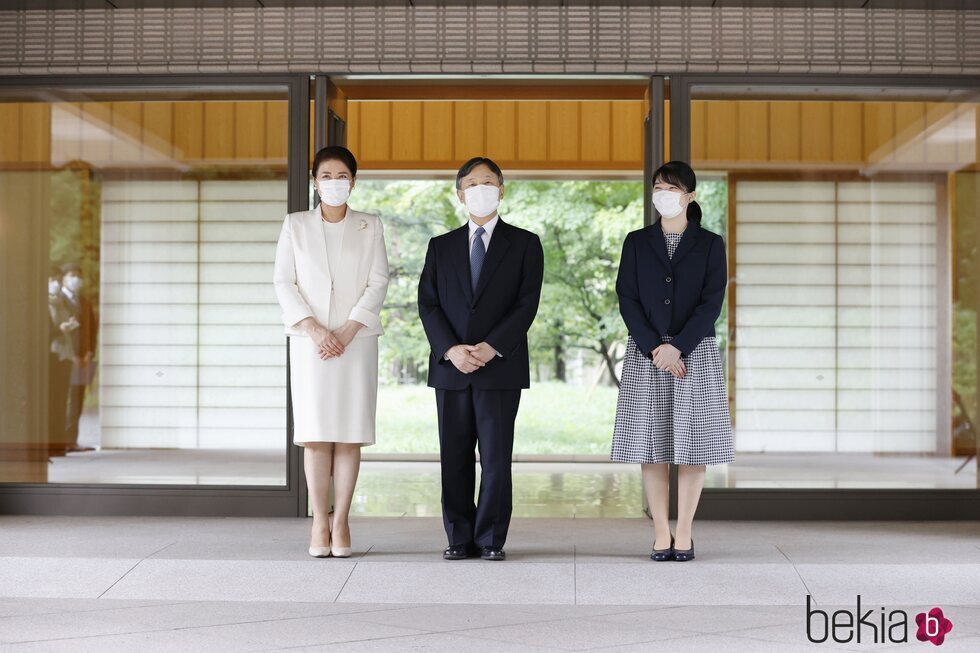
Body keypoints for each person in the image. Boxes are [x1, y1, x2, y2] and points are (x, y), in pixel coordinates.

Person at [417, 156, 544, 562]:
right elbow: (428, 304)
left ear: (501, 190)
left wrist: (492, 346)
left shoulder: (525, 243)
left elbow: (527, 304)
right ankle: (458, 536)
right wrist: (451, 350)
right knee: (453, 457)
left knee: (495, 458)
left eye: (488, 182)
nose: (480, 189)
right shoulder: (441, 246)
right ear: (459, 194)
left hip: (499, 367)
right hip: (451, 369)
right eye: (471, 184)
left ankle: (490, 538)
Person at [611, 160, 734, 563]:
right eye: (659, 187)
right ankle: (660, 532)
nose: (664, 194)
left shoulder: (711, 243)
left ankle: (685, 532)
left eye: (673, 188)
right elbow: (626, 298)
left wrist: (678, 346)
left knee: (693, 445)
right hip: (647, 354)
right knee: (653, 444)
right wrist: (654, 348)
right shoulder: (636, 241)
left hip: (693, 352)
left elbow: (711, 302)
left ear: (691, 196)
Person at [273, 145, 390, 559]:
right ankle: (318, 521)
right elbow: (284, 282)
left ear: (352, 182)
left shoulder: (369, 225)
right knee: (316, 434)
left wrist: (347, 328)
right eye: (326, 175)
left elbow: (379, 281)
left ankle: (341, 519)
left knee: (349, 434)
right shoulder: (296, 225)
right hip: (310, 345)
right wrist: (314, 329)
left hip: (355, 342)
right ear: (315, 181)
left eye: (342, 176)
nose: (334, 182)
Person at [60, 263, 97, 454]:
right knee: (63, 399)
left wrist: (89, 352)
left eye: (79, 275)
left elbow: (92, 328)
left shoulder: (84, 302)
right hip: (65, 359)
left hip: (84, 358)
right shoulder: (57, 301)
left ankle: (72, 440)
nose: (76, 279)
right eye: (72, 275)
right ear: (64, 278)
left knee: (77, 399)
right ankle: (60, 441)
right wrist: (72, 355)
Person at [47, 267, 74, 455]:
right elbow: (42, 332)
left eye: (57, 279)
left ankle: (57, 445)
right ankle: (50, 445)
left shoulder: (60, 303)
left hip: (64, 356)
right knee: (51, 401)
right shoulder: (41, 304)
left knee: (61, 400)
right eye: (51, 279)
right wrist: (60, 329)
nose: (55, 283)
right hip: (51, 356)